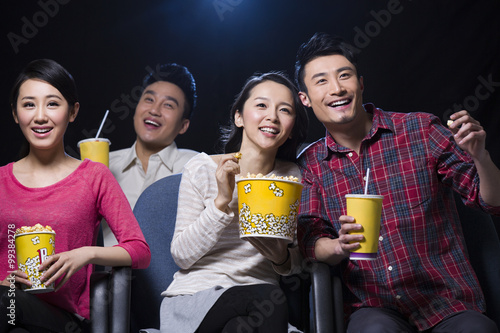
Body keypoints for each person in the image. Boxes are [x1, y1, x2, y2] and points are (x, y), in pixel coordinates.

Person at [295, 32, 500, 332]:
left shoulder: (420, 130)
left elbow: (490, 201)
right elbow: (310, 242)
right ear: (306, 99)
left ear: (360, 84)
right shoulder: (311, 164)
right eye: (321, 81)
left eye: (344, 76)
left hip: (447, 303)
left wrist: (481, 157)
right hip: (374, 308)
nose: (337, 89)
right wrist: (339, 246)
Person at [0, 59, 151, 332]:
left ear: (72, 111)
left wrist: (84, 254)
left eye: (53, 103)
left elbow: (140, 251)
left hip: (63, 320)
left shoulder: (94, 177)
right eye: (29, 104)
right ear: (15, 113)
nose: (40, 116)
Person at [154, 72, 308, 333]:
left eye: (285, 110)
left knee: (240, 326)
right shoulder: (202, 168)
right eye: (261, 105)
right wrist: (221, 202)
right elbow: (181, 256)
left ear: (292, 128)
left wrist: (281, 257)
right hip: (197, 300)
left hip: (260, 308)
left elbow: (295, 262)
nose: (272, 116)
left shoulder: (291, 177)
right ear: (239, 117)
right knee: (269, 299)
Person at [105, 63, 198, 245]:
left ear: (183, 125)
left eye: (168, 105)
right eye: (149, 100)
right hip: (105, 271)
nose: (154, 111)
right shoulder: (104, 165)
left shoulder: (196, 167)